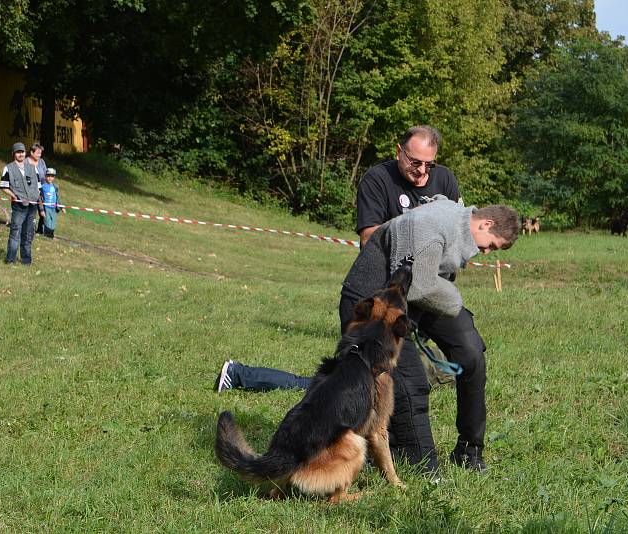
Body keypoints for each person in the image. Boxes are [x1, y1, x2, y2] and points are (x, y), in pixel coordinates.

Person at [216, 125, 505, 472]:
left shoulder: (444, 180)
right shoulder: (377, 180)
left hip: (426, 293)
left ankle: (470, 450)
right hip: (381, 295)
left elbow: (455, 242)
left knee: (471, 353)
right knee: (378, 383)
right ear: (398, 151)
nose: (422, 172)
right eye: (415, 163)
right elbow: (371, 238)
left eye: (429, 165)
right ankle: (408, 459)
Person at [0, 142, 40, 265]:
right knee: (15, 233)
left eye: (22, 152)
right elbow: (3, 186)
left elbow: (38, 186)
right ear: (14, 154)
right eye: (18, 152)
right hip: (19, 206)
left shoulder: (33, 168)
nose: (21, 154)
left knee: (28, 234)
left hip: (32, 205)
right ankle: (10, 259)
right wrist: (14, 196)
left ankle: (26, 260)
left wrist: (37, 197)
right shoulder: (8, 168)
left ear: (25, 153)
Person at [28, 143, 49, 234]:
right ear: (32, 152)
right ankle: (29, 228)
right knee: (32, 209)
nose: (39, 155)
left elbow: (45, 174)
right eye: (37, 153)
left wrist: (47, 186)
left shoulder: (42, 161)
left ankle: (41, 230)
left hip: (42, 188)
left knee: (43, 209)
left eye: (40, 153)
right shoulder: (26, 162)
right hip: (30, 190)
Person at [38, 168, 64, 238]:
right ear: (45, 176)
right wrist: (41, 210)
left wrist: (62, 207)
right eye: (48, 176)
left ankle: (51, 235)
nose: (50, 178)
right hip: (46, 207)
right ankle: (47, 235)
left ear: (54, 177)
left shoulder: (55, 187)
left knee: (53, 223)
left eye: (52, 176)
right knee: (47, 221)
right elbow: (39, 198)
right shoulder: (42, 186)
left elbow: (57, 197)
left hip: (54, 208)